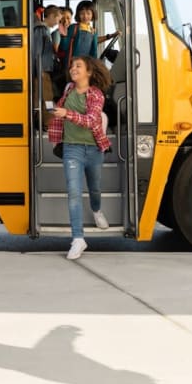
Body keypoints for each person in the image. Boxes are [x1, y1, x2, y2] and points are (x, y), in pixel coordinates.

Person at [47, 55, 113, 260]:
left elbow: (93, 121)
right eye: (72, 65)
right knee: (74, 192)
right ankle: (78, 239)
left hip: (94, 149)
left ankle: (96, 210)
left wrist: (66, 113)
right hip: (72, 149)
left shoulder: (96, 94)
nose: (73, 68)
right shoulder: (68, 90)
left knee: (95, 188)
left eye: (78, 66)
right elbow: (62, 113)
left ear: (89, 72)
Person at [57, 1, 120, 69]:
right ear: (78, 14)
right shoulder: (73, 28)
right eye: (82, 13)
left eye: (88, 13)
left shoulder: (93, 31)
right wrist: (63, 33)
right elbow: (64, 46)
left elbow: (94, 50)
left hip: (86, 65)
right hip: (72, 65)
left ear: (93, 14)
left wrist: (111, 36)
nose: (85, 16)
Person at [33, 5, 61, 127]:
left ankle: (39, 119)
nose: (57, 23)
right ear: (51, 16)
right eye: (58, 19)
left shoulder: (44, 30)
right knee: (48, 97)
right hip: (42, 70)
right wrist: (39, 70)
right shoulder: (41, 30)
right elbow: (37, 52)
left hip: (43, 69)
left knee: (40, 96)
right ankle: (48, 121)